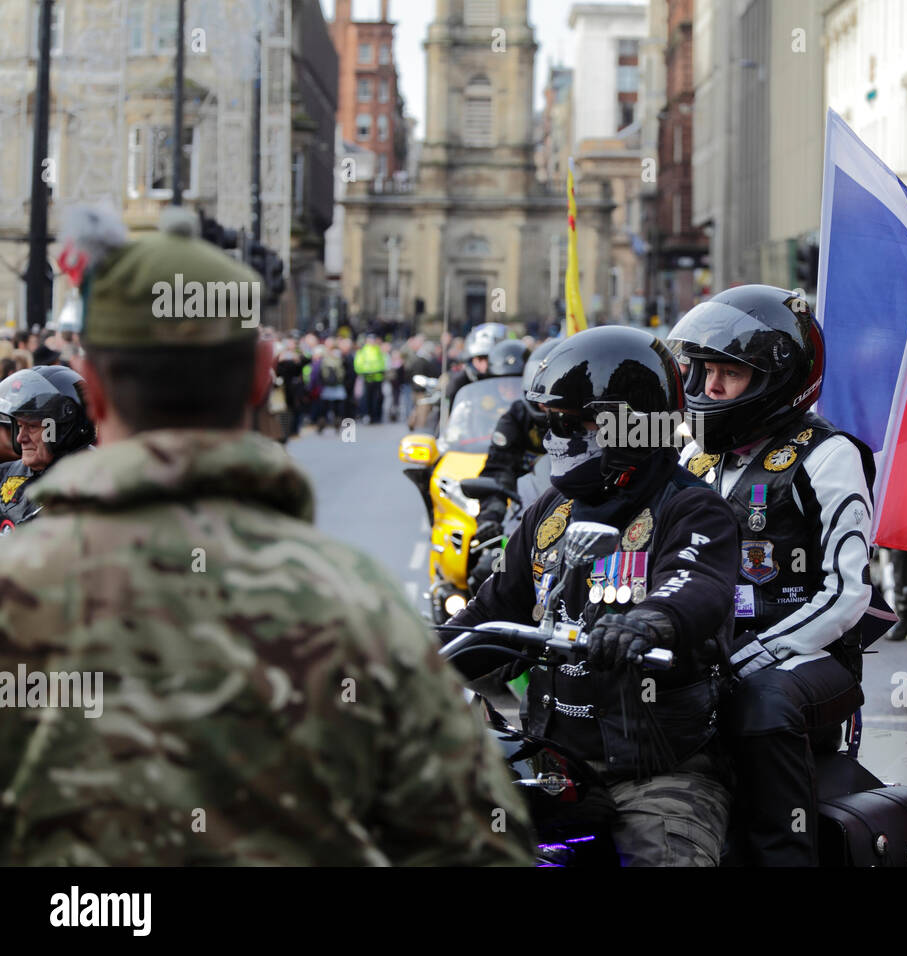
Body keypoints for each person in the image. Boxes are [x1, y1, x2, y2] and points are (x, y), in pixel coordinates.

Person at [0, 206, 533, 866]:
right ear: (260, 374)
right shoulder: (355, 605)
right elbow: (479, 846)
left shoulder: (15, 588)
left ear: (97, 391)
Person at [450, 326, 740, 866]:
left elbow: (697, 585)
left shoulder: (692, 509)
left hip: (657, 773)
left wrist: (648, 622)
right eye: (552, 423)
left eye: (576, 422)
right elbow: (493, 611)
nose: (557, 436)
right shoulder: (551, 512)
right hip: (552, 765)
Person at [668, 285, 895, 866]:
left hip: (809, 657)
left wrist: (750, 657)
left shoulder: (826, 455)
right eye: (703, 371)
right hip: (717, 646)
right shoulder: (693, 459)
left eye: (728, 374)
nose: (709, 389)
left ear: (775, 380)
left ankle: (785, 855)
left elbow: (846, 595)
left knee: (759, 703)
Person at [466, 339, 552, 592]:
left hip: (577, 521)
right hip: (523, 517)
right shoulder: (516, 418)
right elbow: (497, 471)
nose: (545, 402)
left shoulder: (586, 422)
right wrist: (490, 518)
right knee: (487, 573)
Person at [0, 365, 97, 532]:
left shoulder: (94, 487)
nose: (20, 438)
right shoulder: (4, 472)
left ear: (63, 429)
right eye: (19, 426)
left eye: (31, 427)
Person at [445, 322, 508, 408]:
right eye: (480, 359)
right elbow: (443, 412)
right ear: (471, 359)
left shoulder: (505, 380)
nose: (485, 365)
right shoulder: (459, 381)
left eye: (488, 359)